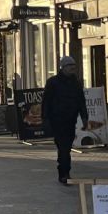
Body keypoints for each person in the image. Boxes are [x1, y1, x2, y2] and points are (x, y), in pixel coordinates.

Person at [43, 55, 89, 185]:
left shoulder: (76, 83)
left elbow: (81, 102)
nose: (72, 69)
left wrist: (85, 118)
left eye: (74, 67)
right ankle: (64, 172)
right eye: (70, 66)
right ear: (63, 67)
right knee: (63, 147)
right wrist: (45, 119)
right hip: (57, 120)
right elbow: (46, 102)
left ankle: (64, 170)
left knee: (66, 147)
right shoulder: (53, 82)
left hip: (71, 120)